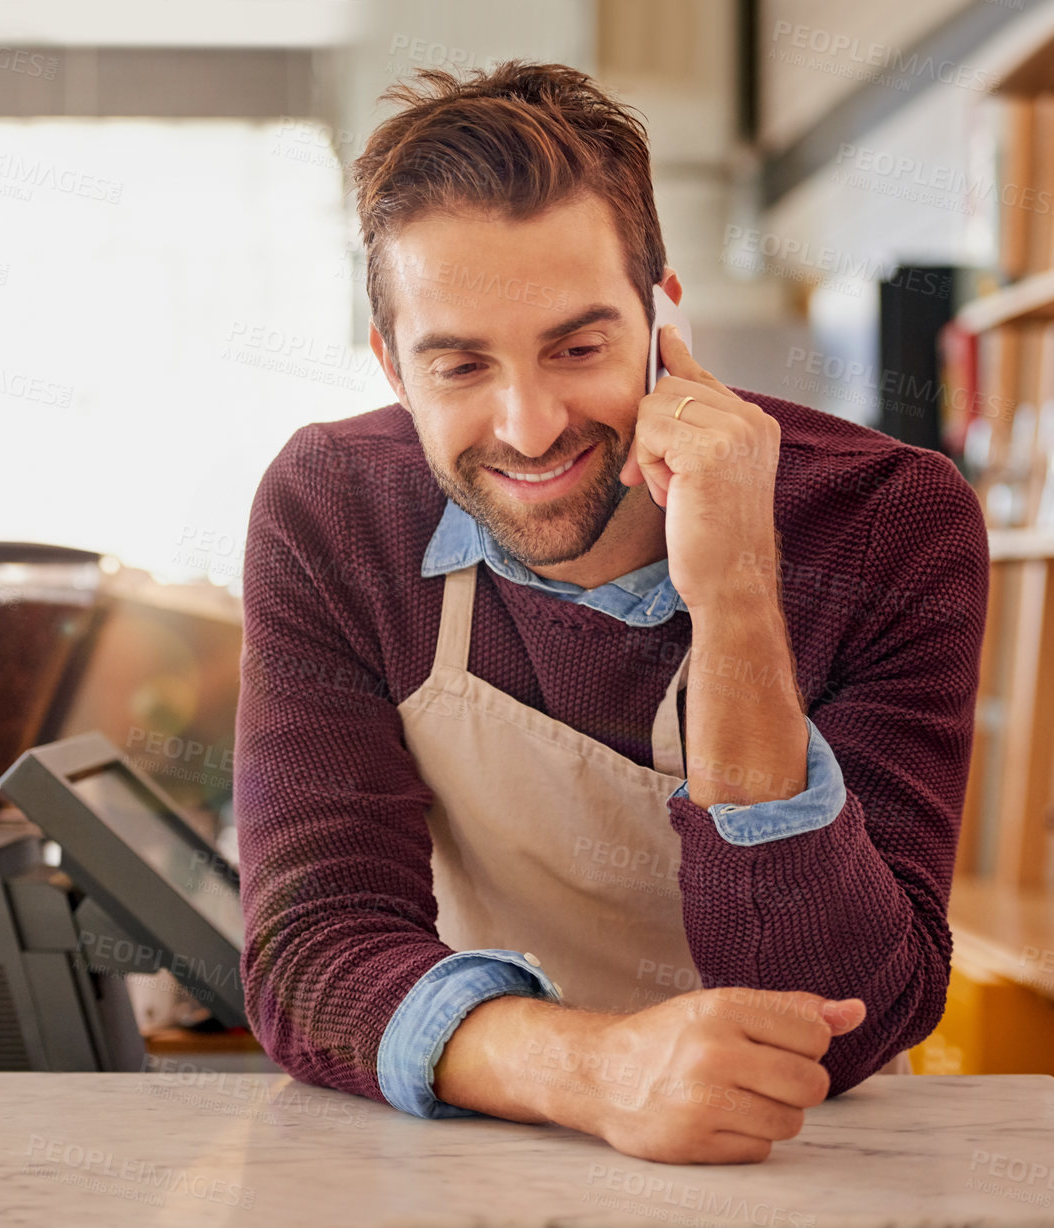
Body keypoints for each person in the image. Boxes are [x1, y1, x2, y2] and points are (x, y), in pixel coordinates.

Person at [234, 60, 988, 1164]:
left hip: (811, 1158)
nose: (529, 425)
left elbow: (850, 1012)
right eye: (458, 365)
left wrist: (732, 591)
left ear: (661, 314)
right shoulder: (334, 511)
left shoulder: (888, 519)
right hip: (484, 1138)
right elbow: (311, 950)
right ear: (393, 368)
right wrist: (597, 1070)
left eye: (577, 348)